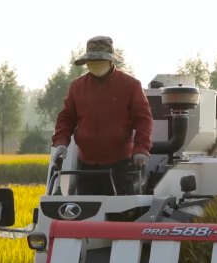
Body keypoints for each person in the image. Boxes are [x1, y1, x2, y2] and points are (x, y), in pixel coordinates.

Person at [51, 36, 153, 196]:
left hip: (120, 165)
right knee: (88, 215)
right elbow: (66, 118)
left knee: (120, 216)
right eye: (92, 61)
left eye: (100, 60)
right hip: (86, 165)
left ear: (111, 61)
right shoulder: (77, 87)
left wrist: (141, 148)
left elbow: (143, 121)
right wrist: (60, 142)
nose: (95, 64)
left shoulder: (130, 85)